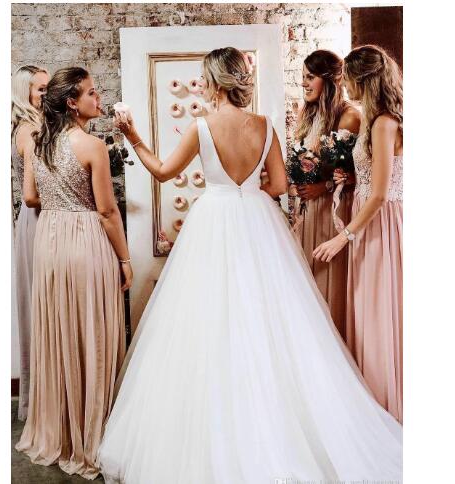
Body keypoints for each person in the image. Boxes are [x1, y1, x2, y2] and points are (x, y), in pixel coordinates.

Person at [98, 47, 401, 484]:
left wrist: (133, 136)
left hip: (214, 219)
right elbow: (278, 184)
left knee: (209, 320)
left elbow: (162, 172)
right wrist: (248, 186)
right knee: (269, 320)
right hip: (259, 222)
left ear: (215, 82)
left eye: (205, 78)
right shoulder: (264, 125)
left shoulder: (202, 127)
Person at [15, 67, 132, 479]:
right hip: (85, 240)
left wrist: (57, 201)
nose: (99, 98)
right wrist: (125, 260)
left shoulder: (38, 143)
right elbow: (107, 211)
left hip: (49, 243)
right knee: (93, 332)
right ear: (72, 102)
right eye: (92, 93)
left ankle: (59, 432)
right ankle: (92, 433)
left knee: (60, 331)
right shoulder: (92, 146)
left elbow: (30, 197)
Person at [314, 45, 403, 423]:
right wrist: (352, 179)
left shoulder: (383, 122)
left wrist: (342, 238)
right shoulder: (374, 120)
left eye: (348, 78)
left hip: (378, 225)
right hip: (367, 220)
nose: (345, 85)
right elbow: (376, 178)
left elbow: (382, 193)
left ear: (363, 80)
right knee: (367, 311)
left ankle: (385, 412)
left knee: (378, 314)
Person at [292, 50, 360, 338]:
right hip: (309, 209)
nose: (304, 83)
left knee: (327, 283)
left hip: (335, 210)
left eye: (310, 77)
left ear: (329, 80)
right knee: (305, 283)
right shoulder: (306, 113)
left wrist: (324, 187)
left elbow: (359, 175)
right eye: (302, 77)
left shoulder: (349, 117)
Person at [11, 64, 49, 421]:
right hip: (38, 219)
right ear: (25, 93)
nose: (47, 94)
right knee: (41, 304)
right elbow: (33, 193)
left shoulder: (38, 126)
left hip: (40, 217)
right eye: (40, 89)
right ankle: (41, 401)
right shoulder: (30, 131)